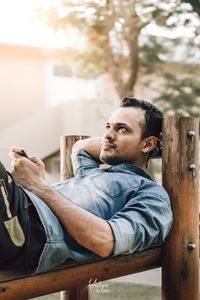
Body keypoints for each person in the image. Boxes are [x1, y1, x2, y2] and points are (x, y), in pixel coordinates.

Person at [0, 97, 172, 274]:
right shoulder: (94, 172)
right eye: (107, 127)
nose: (108, 135)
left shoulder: (152, 195)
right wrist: (118, 143)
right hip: (18, 209)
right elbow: (80, 147)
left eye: (122, 129)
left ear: (148, 143)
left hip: (30, 231)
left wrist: (38, 185)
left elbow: (106, 241)